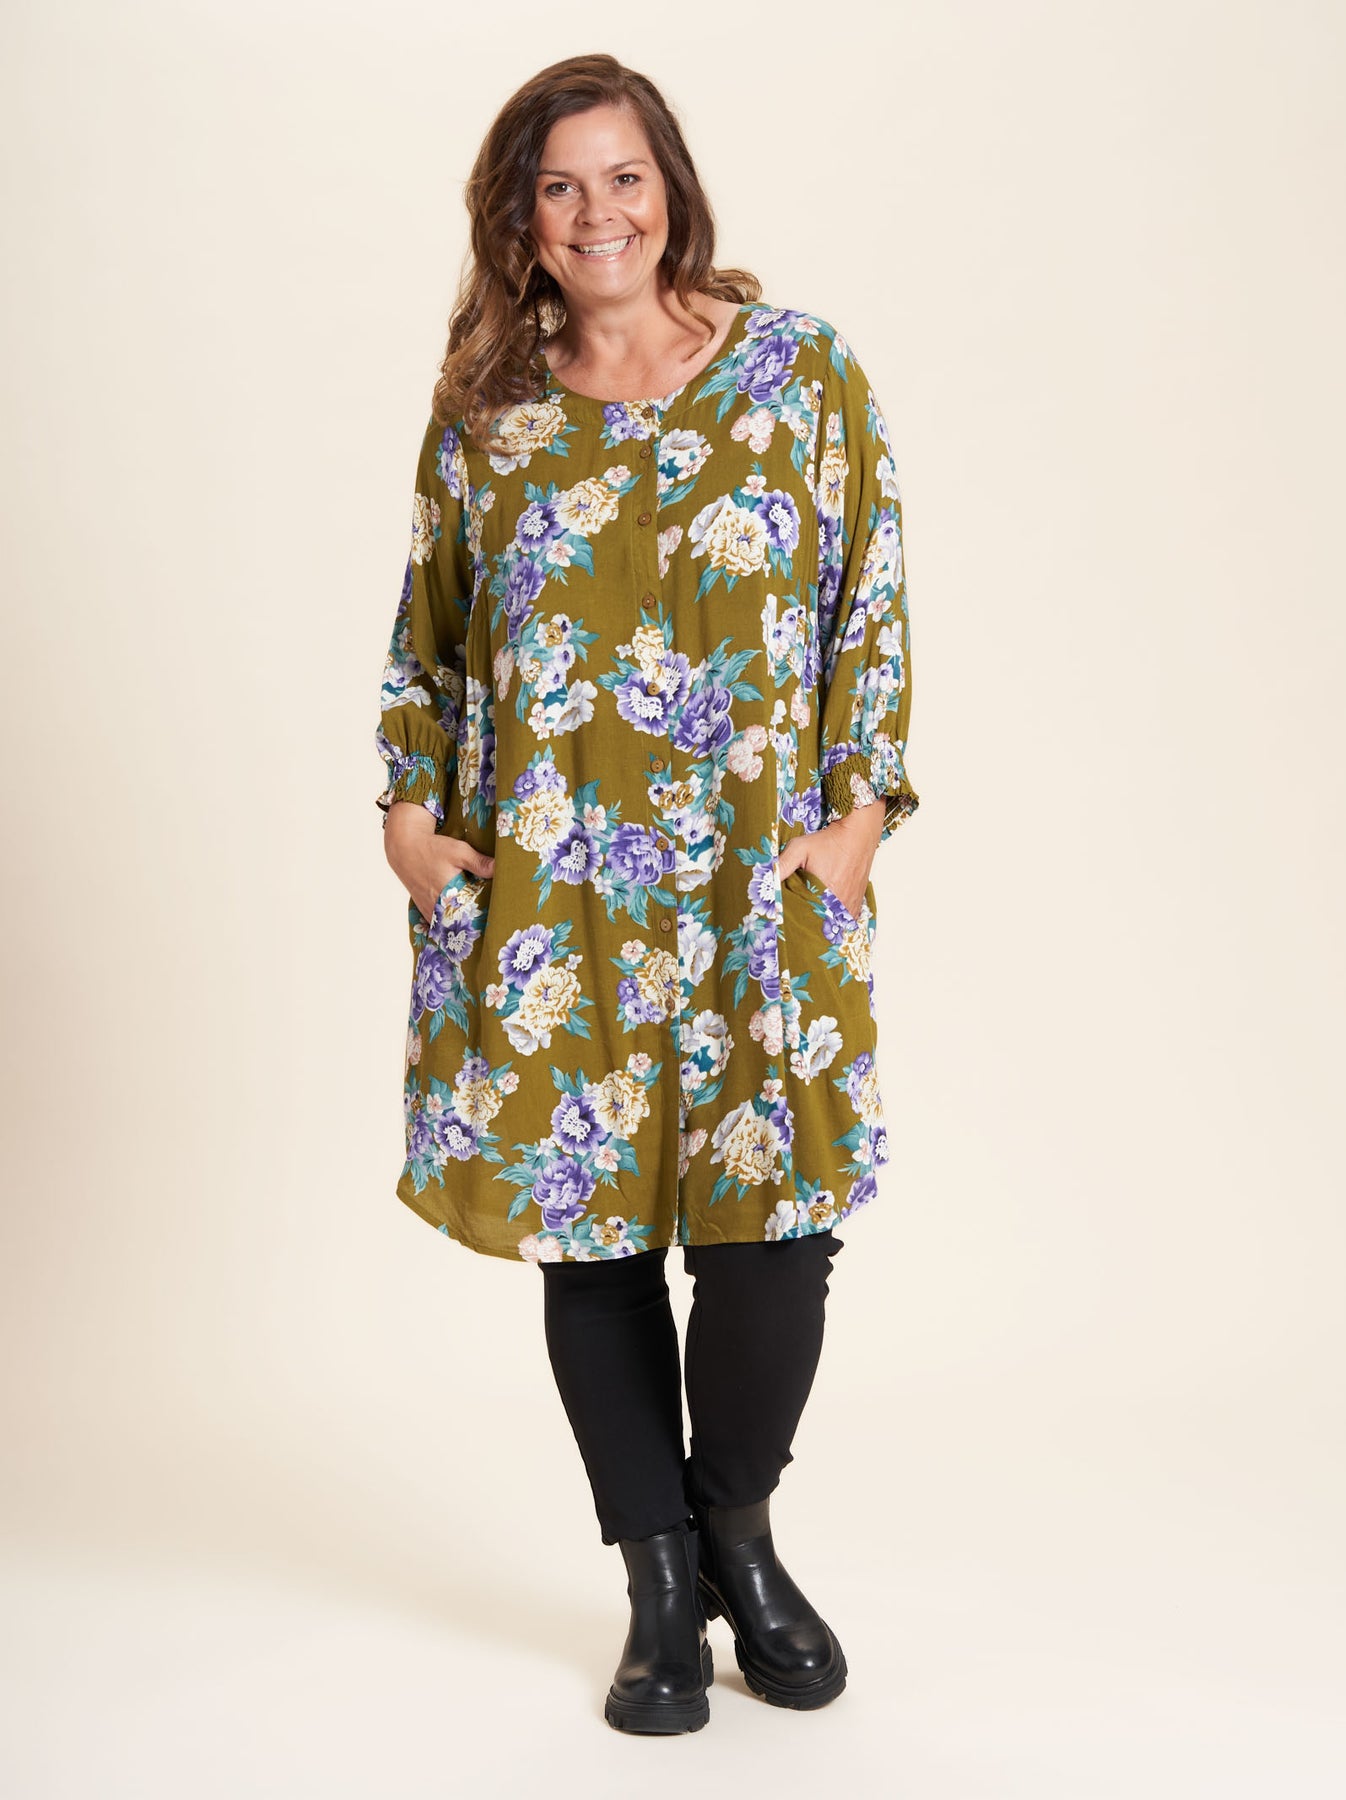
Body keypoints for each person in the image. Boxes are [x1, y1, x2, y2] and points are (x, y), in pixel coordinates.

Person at [374, 53, 920, 1734]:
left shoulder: (800, 373)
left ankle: (736, 1530)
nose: (596, 212)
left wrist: (858, 818)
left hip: (757, 887)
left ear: (669, 185)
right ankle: (662, 1588)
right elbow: (429, 634)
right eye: (559, 186)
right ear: (521, 219)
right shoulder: (488, 414)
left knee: (775, 1240)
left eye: (622, 176)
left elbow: (867, 605)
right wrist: (409, 815)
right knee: (592, 1242)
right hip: (556, 897)